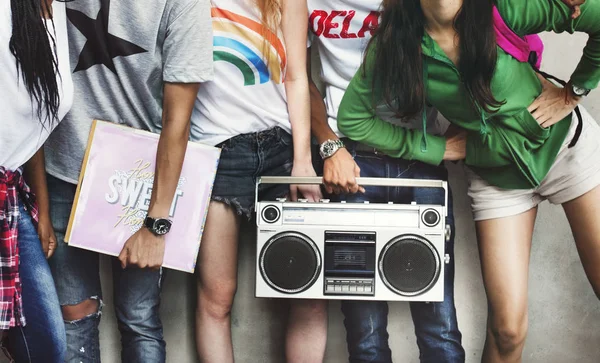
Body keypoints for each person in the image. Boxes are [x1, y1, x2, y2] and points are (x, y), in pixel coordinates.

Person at [337, 0, 600, 362]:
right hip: (496, 179)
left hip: (565, 152)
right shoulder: (397, 41)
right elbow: (353, 118)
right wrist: (435, 148)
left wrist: (574, 92)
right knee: (507, 331)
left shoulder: (504, 9)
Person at [43, 0, 213, 361]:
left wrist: (157, 223)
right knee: (73, 317)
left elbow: (178, 121)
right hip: (62, 168)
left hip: (140, 181)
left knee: (139, 318)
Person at [306, 1, 465, 362]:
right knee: (365, 331)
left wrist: (454, 135)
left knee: (438, 324)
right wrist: (329, 147)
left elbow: (475, 46)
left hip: (422, 159)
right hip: (350, 160)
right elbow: (299, 78)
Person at [191, 1, 326, 362]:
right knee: (216, 295)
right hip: (215, 152)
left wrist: (303, 160)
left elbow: (297, 76)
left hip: (281, 147)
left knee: (308, 291)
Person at [0, 0, 72, 362]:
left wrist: (40, 212)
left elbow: (35, 119)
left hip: (11, 198)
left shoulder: (53, 9)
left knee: (45, 347)